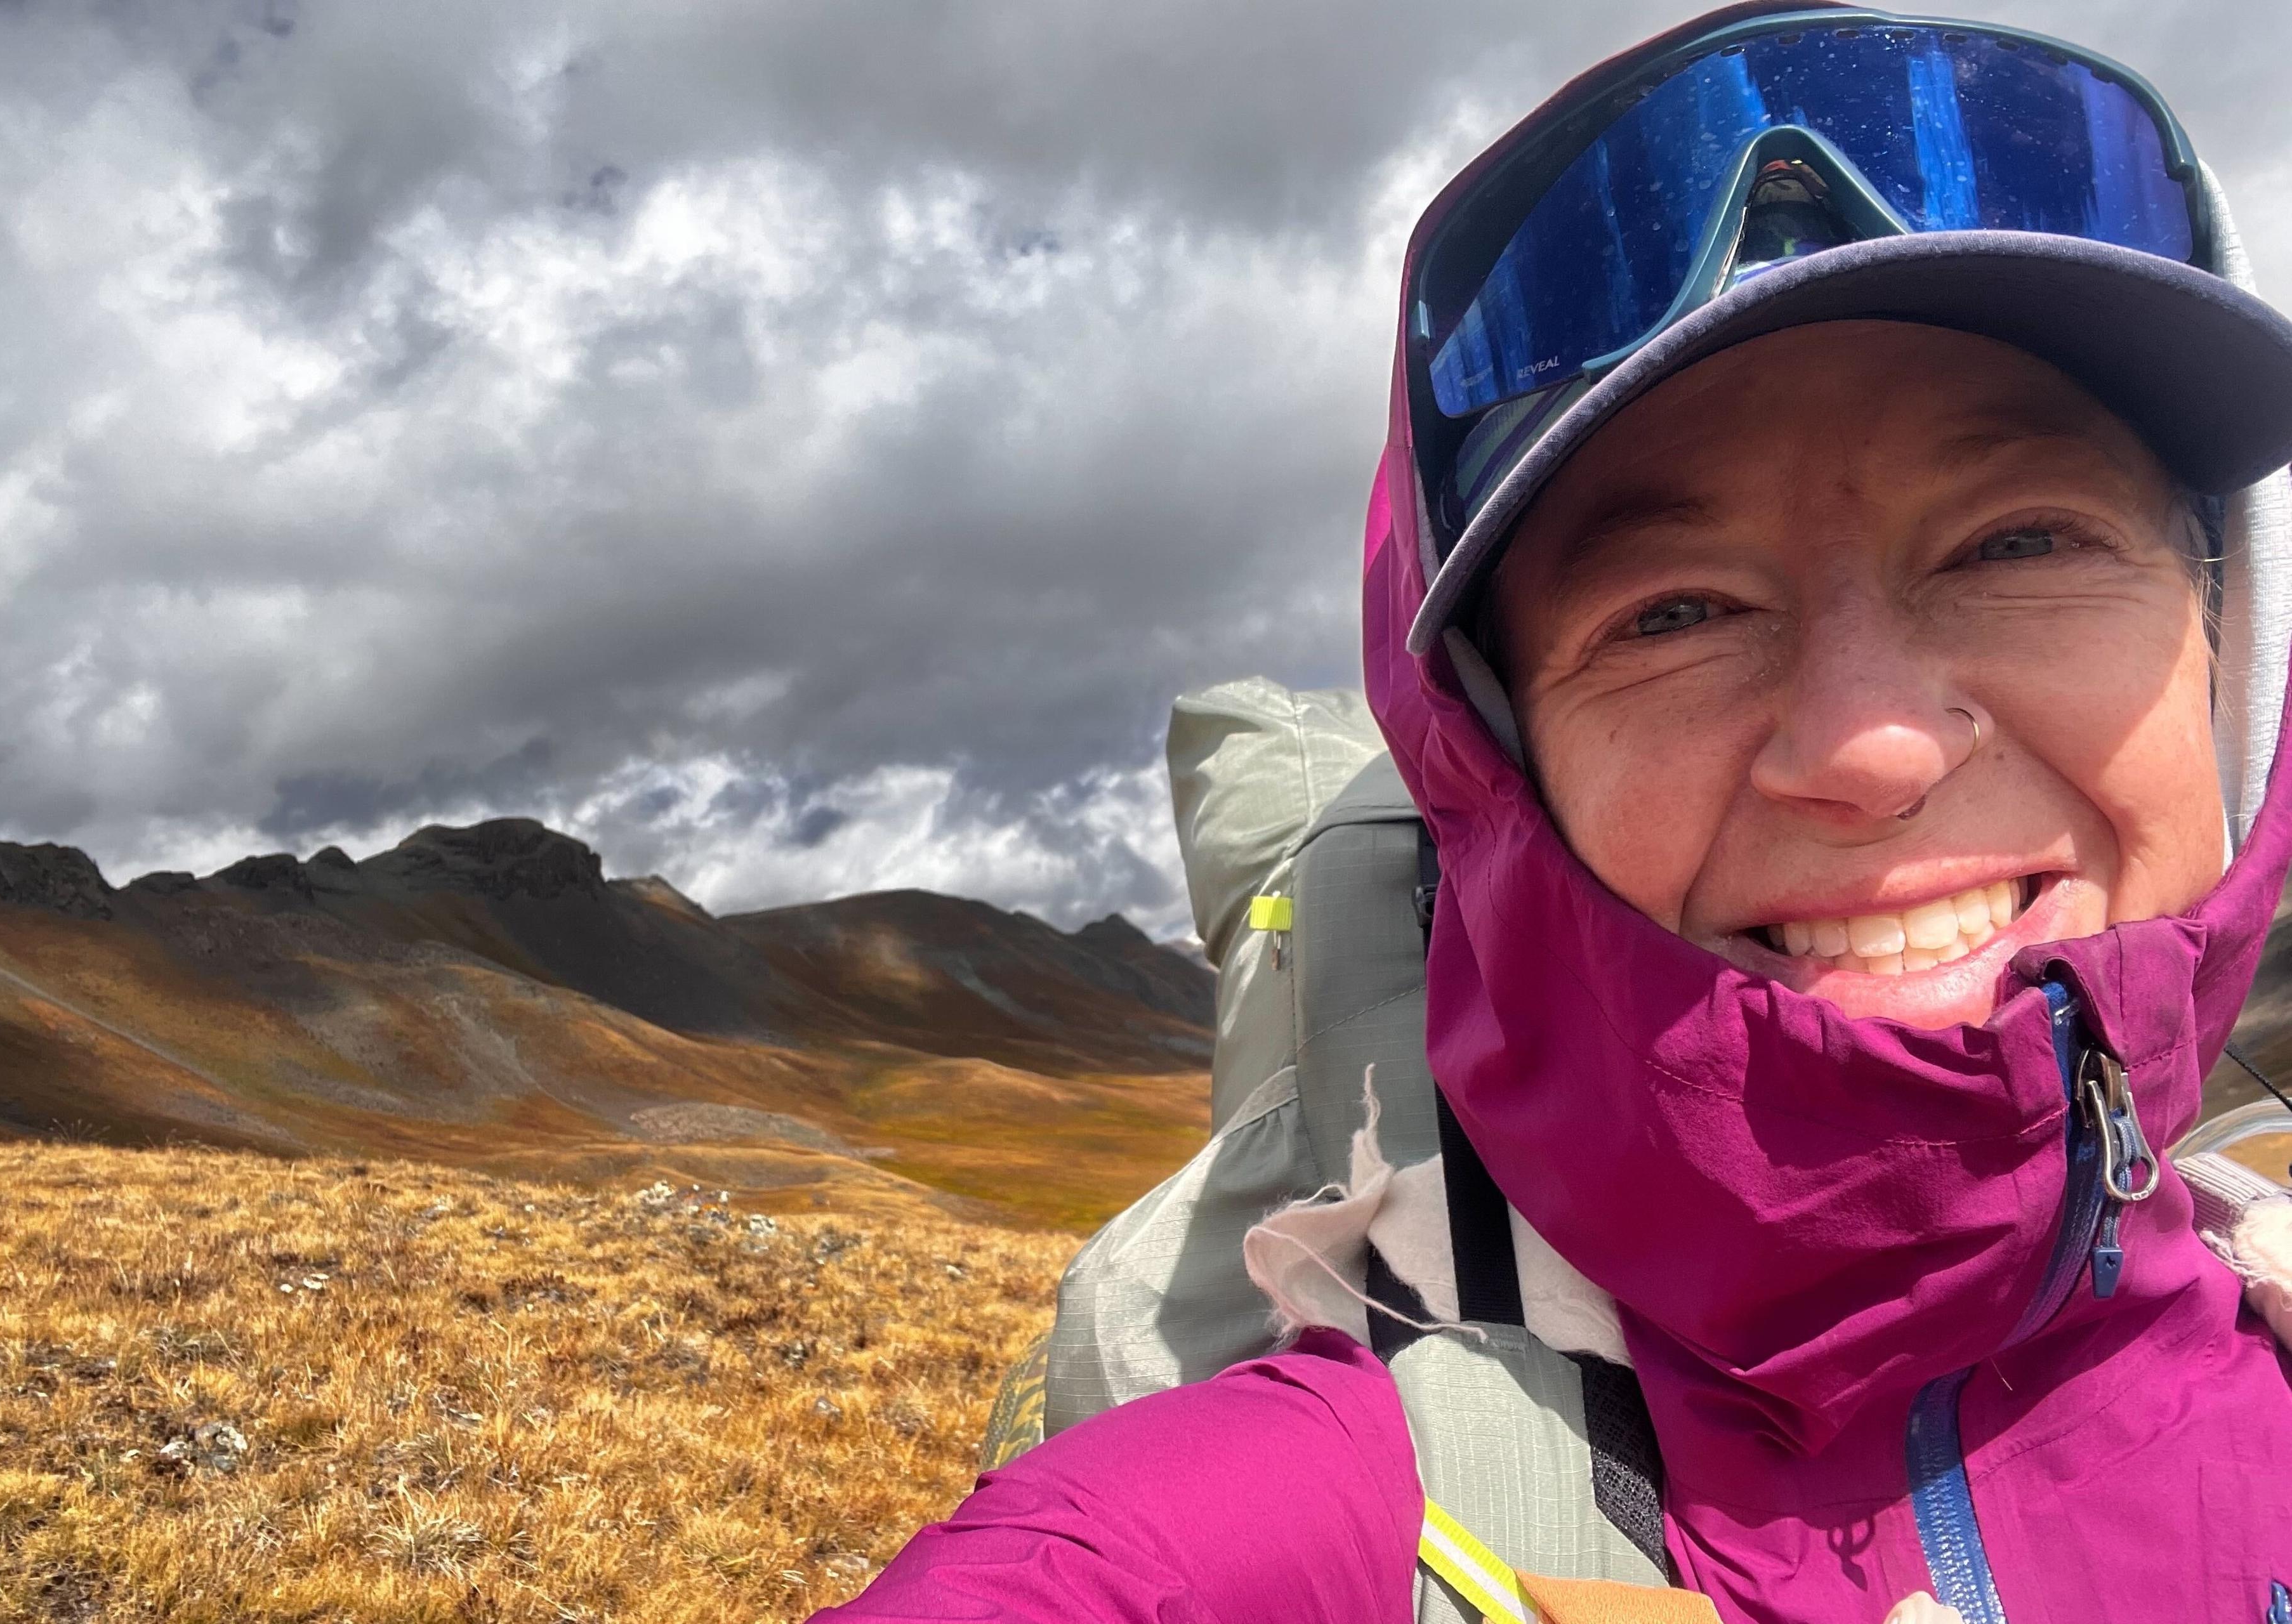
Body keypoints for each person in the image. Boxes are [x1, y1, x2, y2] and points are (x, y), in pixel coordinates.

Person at [819, 4, 2292, 1620]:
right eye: (1672, 613)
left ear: (2232, 637)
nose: (1872, 745)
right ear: (1499, 771)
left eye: (2022, 541)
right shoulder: (1298, 1518)